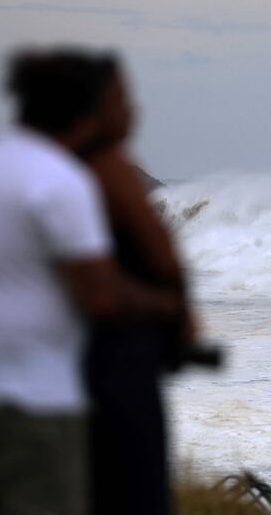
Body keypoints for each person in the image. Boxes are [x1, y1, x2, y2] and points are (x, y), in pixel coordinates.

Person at [0, 48, 183, 515]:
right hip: (30, 406)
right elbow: (99, 293)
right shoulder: (59, 181)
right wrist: (162, 306)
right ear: (85, 110)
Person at [79, 61, 199, 515]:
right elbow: (160, 265)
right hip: (115, 373)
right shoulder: (110, 171)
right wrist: (170, 309)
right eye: (123, 100)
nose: (133, 111)